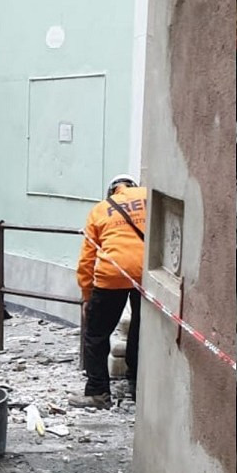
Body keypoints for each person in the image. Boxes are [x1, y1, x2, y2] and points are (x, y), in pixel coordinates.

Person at [72, 174, 146, 408]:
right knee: (140, 329)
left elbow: (87, 258)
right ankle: (137, 385)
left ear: (111, 191)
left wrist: (86, 295)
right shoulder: (148, 197)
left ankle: (98, 392)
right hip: (146, 274)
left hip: (111, 274)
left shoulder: (99, 210)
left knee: (96, 335)